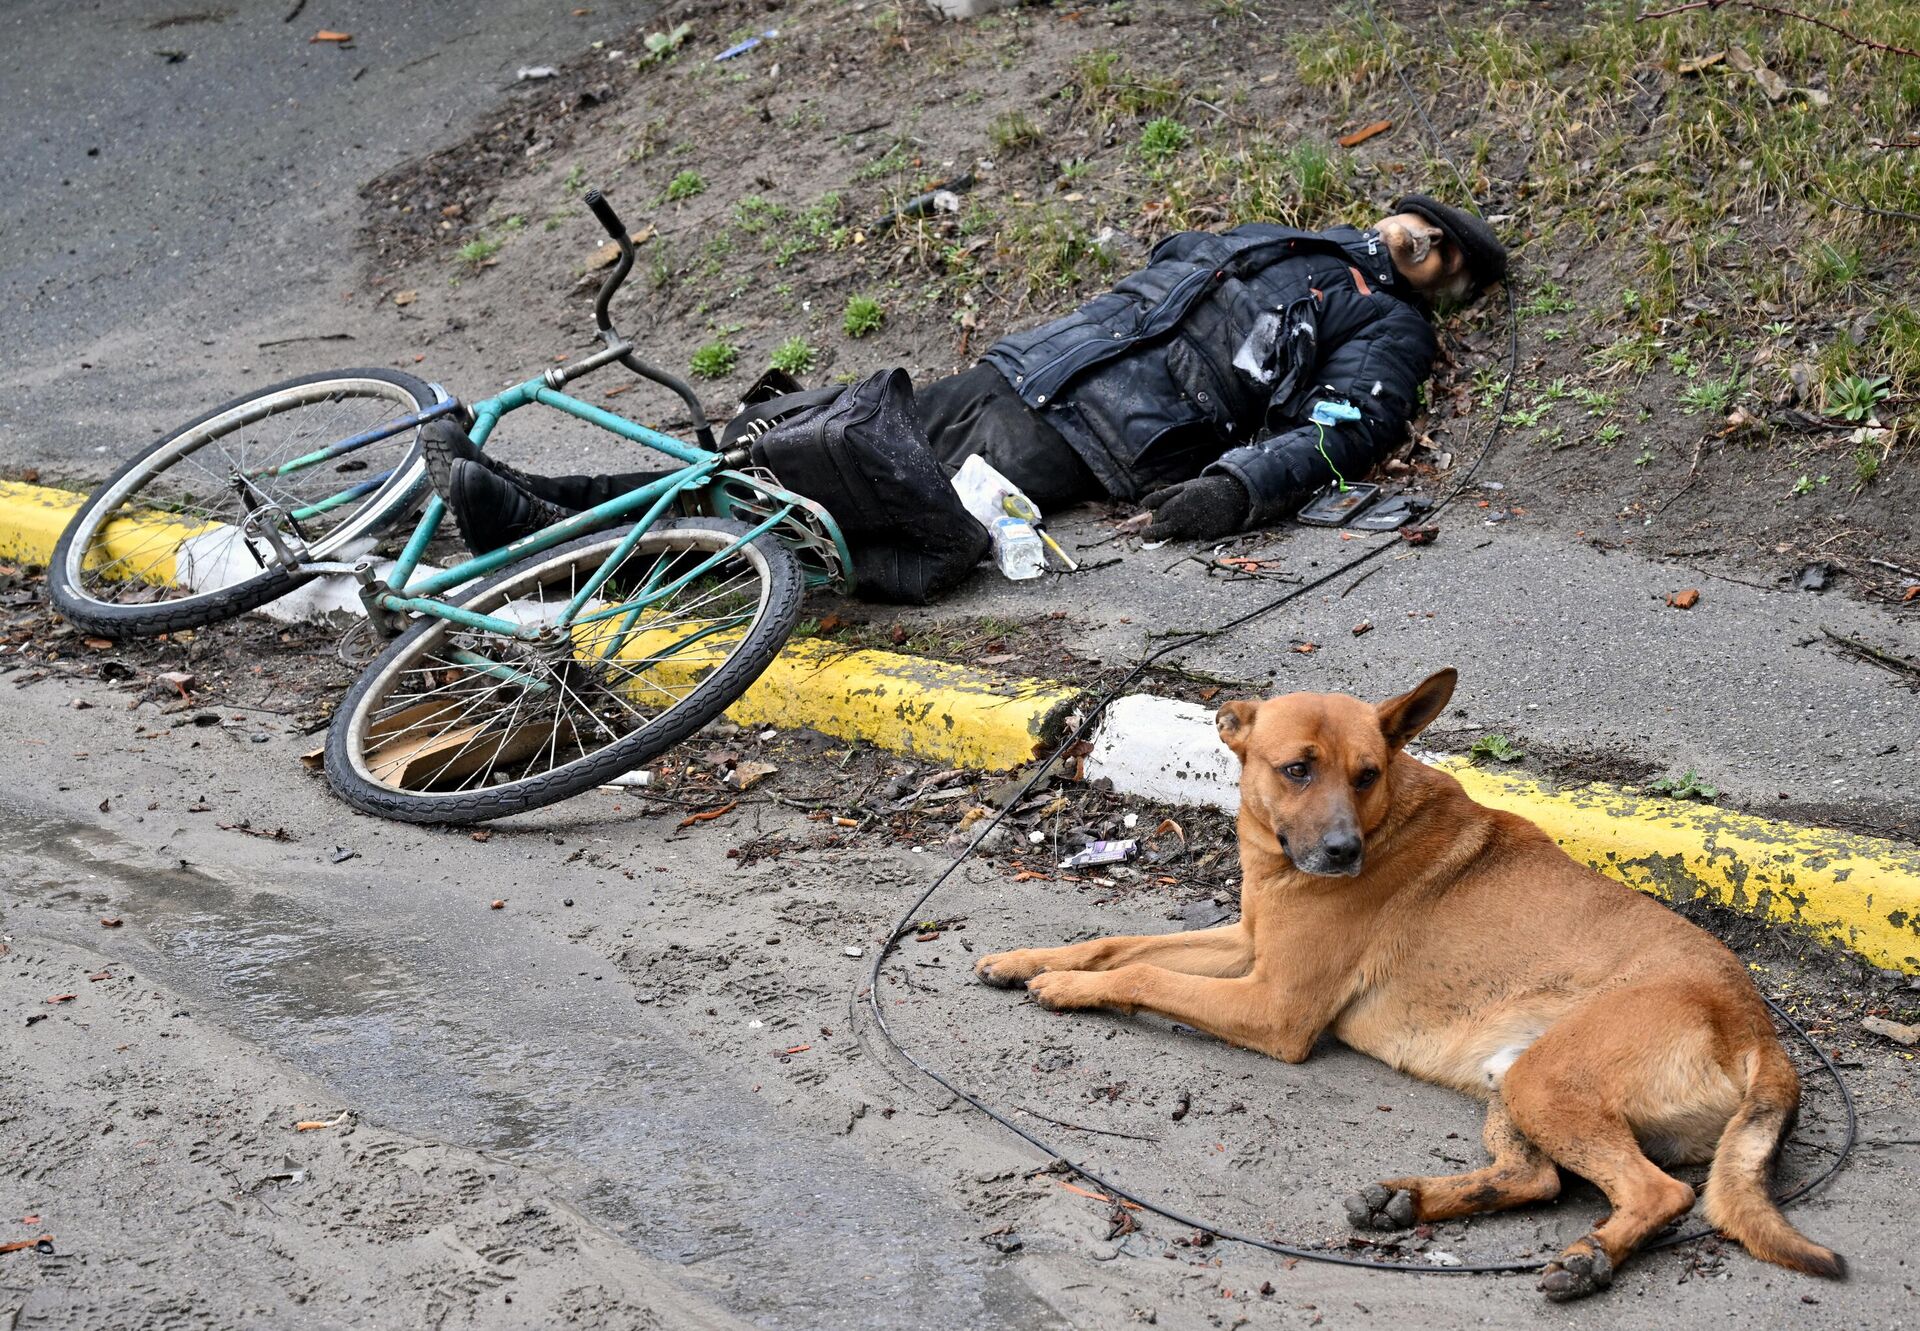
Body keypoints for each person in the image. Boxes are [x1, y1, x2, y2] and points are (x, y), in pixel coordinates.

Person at [432, 194, 1505, 557]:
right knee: (781, 454)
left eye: (1449, 253)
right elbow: (1167, 270)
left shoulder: (1387, 327)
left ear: (1445, 286)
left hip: (1080, 440)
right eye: (1429, 226)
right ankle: (530, 507)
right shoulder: (1294, 239)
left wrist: (1236, 487)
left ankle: (546, 535)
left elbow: (1343, 429)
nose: (1431, 240)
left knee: (833, 518)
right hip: (1013, 373)